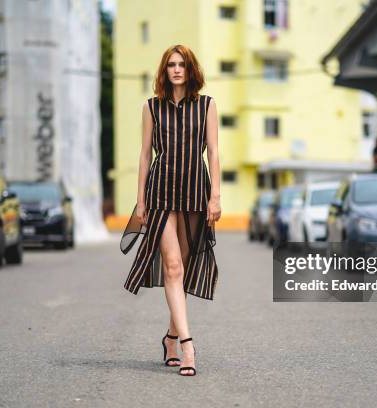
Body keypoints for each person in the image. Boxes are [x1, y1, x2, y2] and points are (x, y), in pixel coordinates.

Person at [119, 45, 221, 377]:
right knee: (173, 267)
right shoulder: (151, 108)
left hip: (195, 194)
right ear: (164, 71)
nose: (176, 70)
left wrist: (216, 196)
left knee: (185, 268)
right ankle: (188, 346)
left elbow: (214, 154)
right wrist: (141, 201)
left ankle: (170, 337)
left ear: (191, 70)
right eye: (171, 65)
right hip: (161, 194)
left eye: (182, 65)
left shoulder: (207, 106)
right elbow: (145, 155)